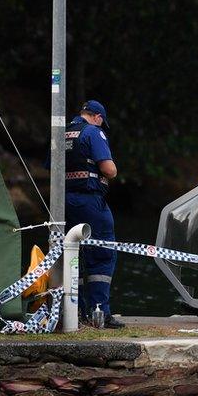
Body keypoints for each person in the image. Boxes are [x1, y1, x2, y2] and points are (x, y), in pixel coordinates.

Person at [65, 100, 124, 328]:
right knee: (102, 253)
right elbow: (109, 169)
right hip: (90, 201)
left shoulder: (62, 132)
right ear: (98, 117)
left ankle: (75, 311)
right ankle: (100, 312)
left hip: (64, 202)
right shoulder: (93, 132)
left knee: (72, 253)